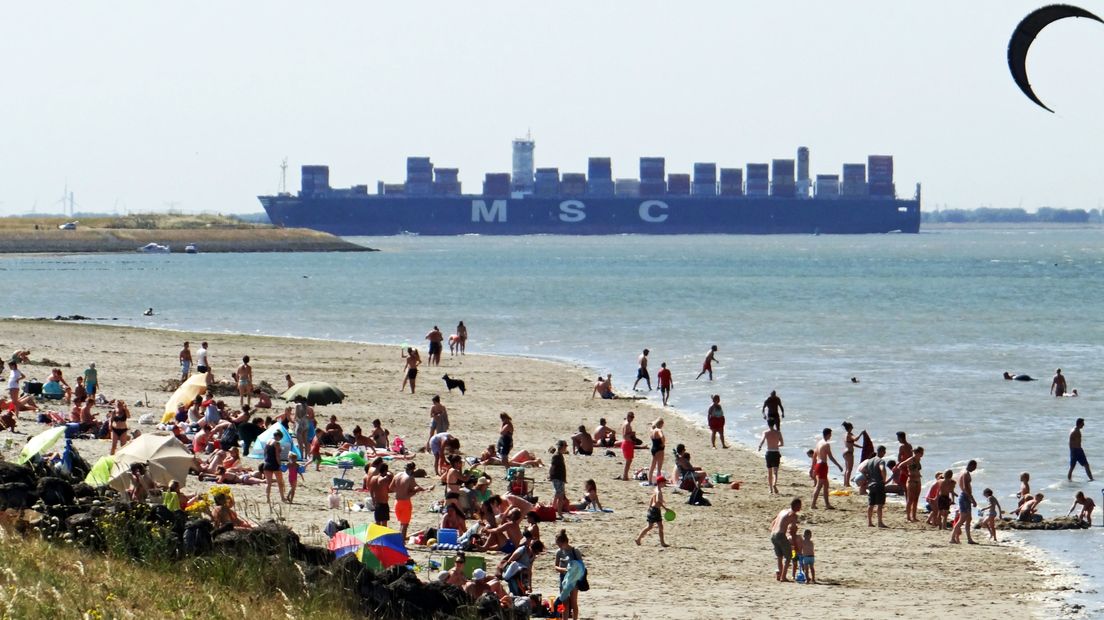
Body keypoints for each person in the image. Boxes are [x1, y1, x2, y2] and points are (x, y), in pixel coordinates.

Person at [392, 461, 429, 538]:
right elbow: (412, 490)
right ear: (413, 469)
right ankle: (402, 544)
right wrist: (415, 491)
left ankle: (400, 541)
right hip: (405, 502)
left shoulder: (397, 475)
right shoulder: (410, 478)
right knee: (405, 525)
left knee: (402, 524)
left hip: (396, 502)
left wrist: (400, 490)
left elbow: (391, 488)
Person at [553, 529, 583, 620]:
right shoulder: (559, 552)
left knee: (573, 602)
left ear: (565, 542)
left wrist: (572, 570)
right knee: (564, 601)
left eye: (559, 544)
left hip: (574, 579)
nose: (558, 546)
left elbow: (581, 566)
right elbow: (555, 566)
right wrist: (564, 570)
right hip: (563, 578)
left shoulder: (575, 551)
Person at [770, 498, 802, 582]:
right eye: (799, 506)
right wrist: (795, 545)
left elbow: (773, 522)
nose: (800, 508)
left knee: (779, 556)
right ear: (795, 506)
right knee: (789, 557)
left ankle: (780, 573)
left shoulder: (783, 511)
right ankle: (783, 577)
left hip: (773, 534)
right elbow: (793, 531)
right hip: (780, 535)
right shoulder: (793, 515)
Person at [811, 428, 843, 509]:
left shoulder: (818, 443)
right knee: (819, 485)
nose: (831, 436)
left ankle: (827, 504)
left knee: (826, 485)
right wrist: (838, 465)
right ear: (828, 434)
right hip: (822, 465)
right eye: (830, 434)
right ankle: (813, 504)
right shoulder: (826, 444)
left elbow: (814, 456)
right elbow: (831, 457)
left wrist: (812, 468)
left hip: (818, 465)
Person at [635, 475, 669, 547]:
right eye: (664, 482)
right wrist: (665, 509)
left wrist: (649, 506)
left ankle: (638, 539)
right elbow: (657, 501)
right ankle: (662, 543)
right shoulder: (659, 491)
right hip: (656, 510)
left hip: (653, 509)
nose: (665, 484)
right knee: (658, 527)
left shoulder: (656, 489)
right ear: (660, 483)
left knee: (651, 526)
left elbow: (652, 497)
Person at [950, 460, 979, 544]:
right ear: (971, 465)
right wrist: (972, 499)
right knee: (962, 519)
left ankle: (969, 539)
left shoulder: (963, 472)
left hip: (966, 497)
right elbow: (965, 488)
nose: (975, 469)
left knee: (969, 519)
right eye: (974, 467)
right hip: (965, 497)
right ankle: (952, 538)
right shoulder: (965, 474)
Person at [860, 445, 889, 527]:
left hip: (871, 484)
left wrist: (868, 478)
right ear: (882, 452)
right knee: (880, 505)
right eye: (884, 452)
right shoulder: (880, 461)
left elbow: (862, 470)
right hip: (879, 484)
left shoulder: (870, 461)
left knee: (871, 504)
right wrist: (884, 479)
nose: (884, 453)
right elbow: (882, 468)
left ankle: (869, 522)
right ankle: (879, 522)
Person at [895, 446, 925, 522]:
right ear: (918, 453)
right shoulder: (911, 459)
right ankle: (908, 517)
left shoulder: (919, 459)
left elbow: (916, 469)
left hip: (918, 480)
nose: (922, 454)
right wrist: (907, 474)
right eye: (921, 452)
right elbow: (900, 466)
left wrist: (918, 474)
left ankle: (914, 516)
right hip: (911, 481)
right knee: (910, 499)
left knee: (916, 499)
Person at [263, 429, 289, 504]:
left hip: (267, 463)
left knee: (268, 483)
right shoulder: (277, 443)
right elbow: (277, 455)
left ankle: (267, 498)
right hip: (274, 464)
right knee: (280, 482)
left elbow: (265, 452)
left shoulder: (268, 441)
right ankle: (282, 498)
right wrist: (280, 464)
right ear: (278, 437)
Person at [758, 426, 784, 495]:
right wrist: (776, 445)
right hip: (776, 452)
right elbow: (782, 444)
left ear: (768, 424)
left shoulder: (765, 432)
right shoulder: (778, 433)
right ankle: (774, 484)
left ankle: (770, 489)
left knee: (769, 472)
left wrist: (760, 446)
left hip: (769, 452)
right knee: (775, 472)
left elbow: (762, 440)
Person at [369, 462, 394, 526]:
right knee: (384, 524)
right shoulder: (385, 479)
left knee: (377, 523)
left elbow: (371, 491)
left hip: (377, 502)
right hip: (384, 503)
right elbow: (390, 489)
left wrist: (373, 500)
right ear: (386, 470)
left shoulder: (373, 478)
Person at [549, 440, 568, 516]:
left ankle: (553, 509)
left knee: (557, 494)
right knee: (560, 496)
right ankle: (559, 512)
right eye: (565, 446)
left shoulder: (560, 455)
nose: (566, 448)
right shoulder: (556, 456)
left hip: (560, 478)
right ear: (562, 447)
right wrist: (551, 476)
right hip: (557, 478)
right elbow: (552, 467)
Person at [841, 421, 861, 488]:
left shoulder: (845, 434)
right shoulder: (850, 434)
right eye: (852, 426)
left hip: (845, 452)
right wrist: (861, 433)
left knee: (847, 469)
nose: (853, 427)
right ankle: (847, 484)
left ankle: (845, 483)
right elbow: (856, 439)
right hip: (849, 453)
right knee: (849, 469)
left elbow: (851, 443)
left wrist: (860, 447)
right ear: (849, 428)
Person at [647, 419, 666, 485]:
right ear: (661, 424)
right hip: (659, 449)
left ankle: (649, 481)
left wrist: (652, 423)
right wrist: (663, 443)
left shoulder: (652, 430)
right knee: (659, 468)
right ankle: (659, 483)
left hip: (653, 449)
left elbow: (652, 426)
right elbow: (662, 436)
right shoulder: (659, 430)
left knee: (652, 466)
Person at [619, 412, 637, 481]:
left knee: (629, 460)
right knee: (628, 461)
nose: (632, 419)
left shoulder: (625, 423)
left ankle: (625, 475)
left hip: (626, 443)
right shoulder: (627, 424)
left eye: (633, 417)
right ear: (628, 416)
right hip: (627, 443)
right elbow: (625, 435)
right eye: (631, 417)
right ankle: (625, 475)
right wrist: (632, 434)